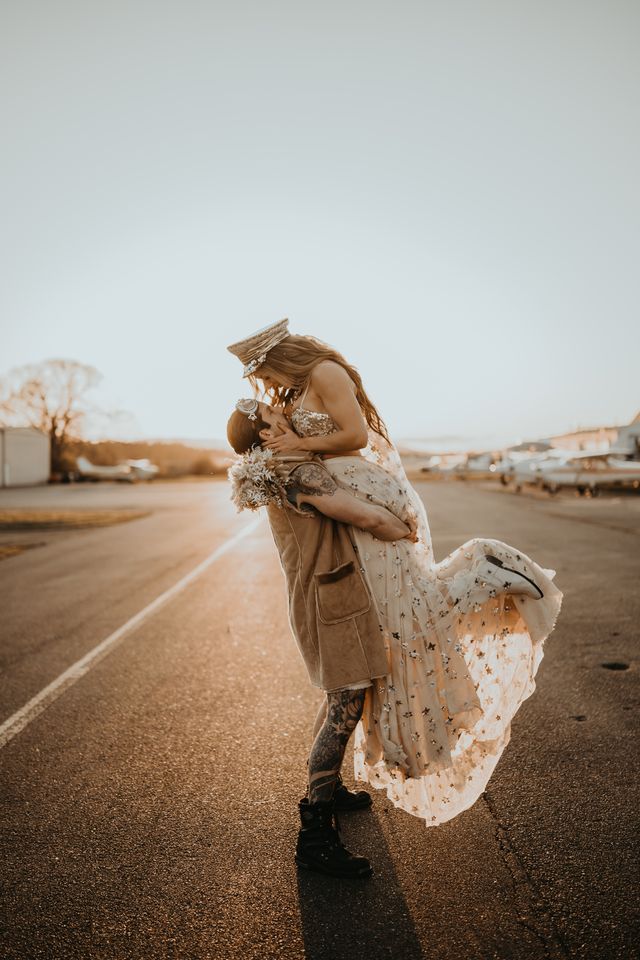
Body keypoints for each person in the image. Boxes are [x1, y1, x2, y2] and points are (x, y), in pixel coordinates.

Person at [226, 318, 563, 875]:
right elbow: (354, 512)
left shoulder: (285, 453)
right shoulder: (290, 467)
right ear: (263, 437)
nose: (273, 403)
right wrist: (393, 523)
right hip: (333, 594)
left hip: (332, 587)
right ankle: (314, 832)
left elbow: (346, 456)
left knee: (342, 692)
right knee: (346, 698)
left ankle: (328, 792)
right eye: (267, 412)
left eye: (268, 391)